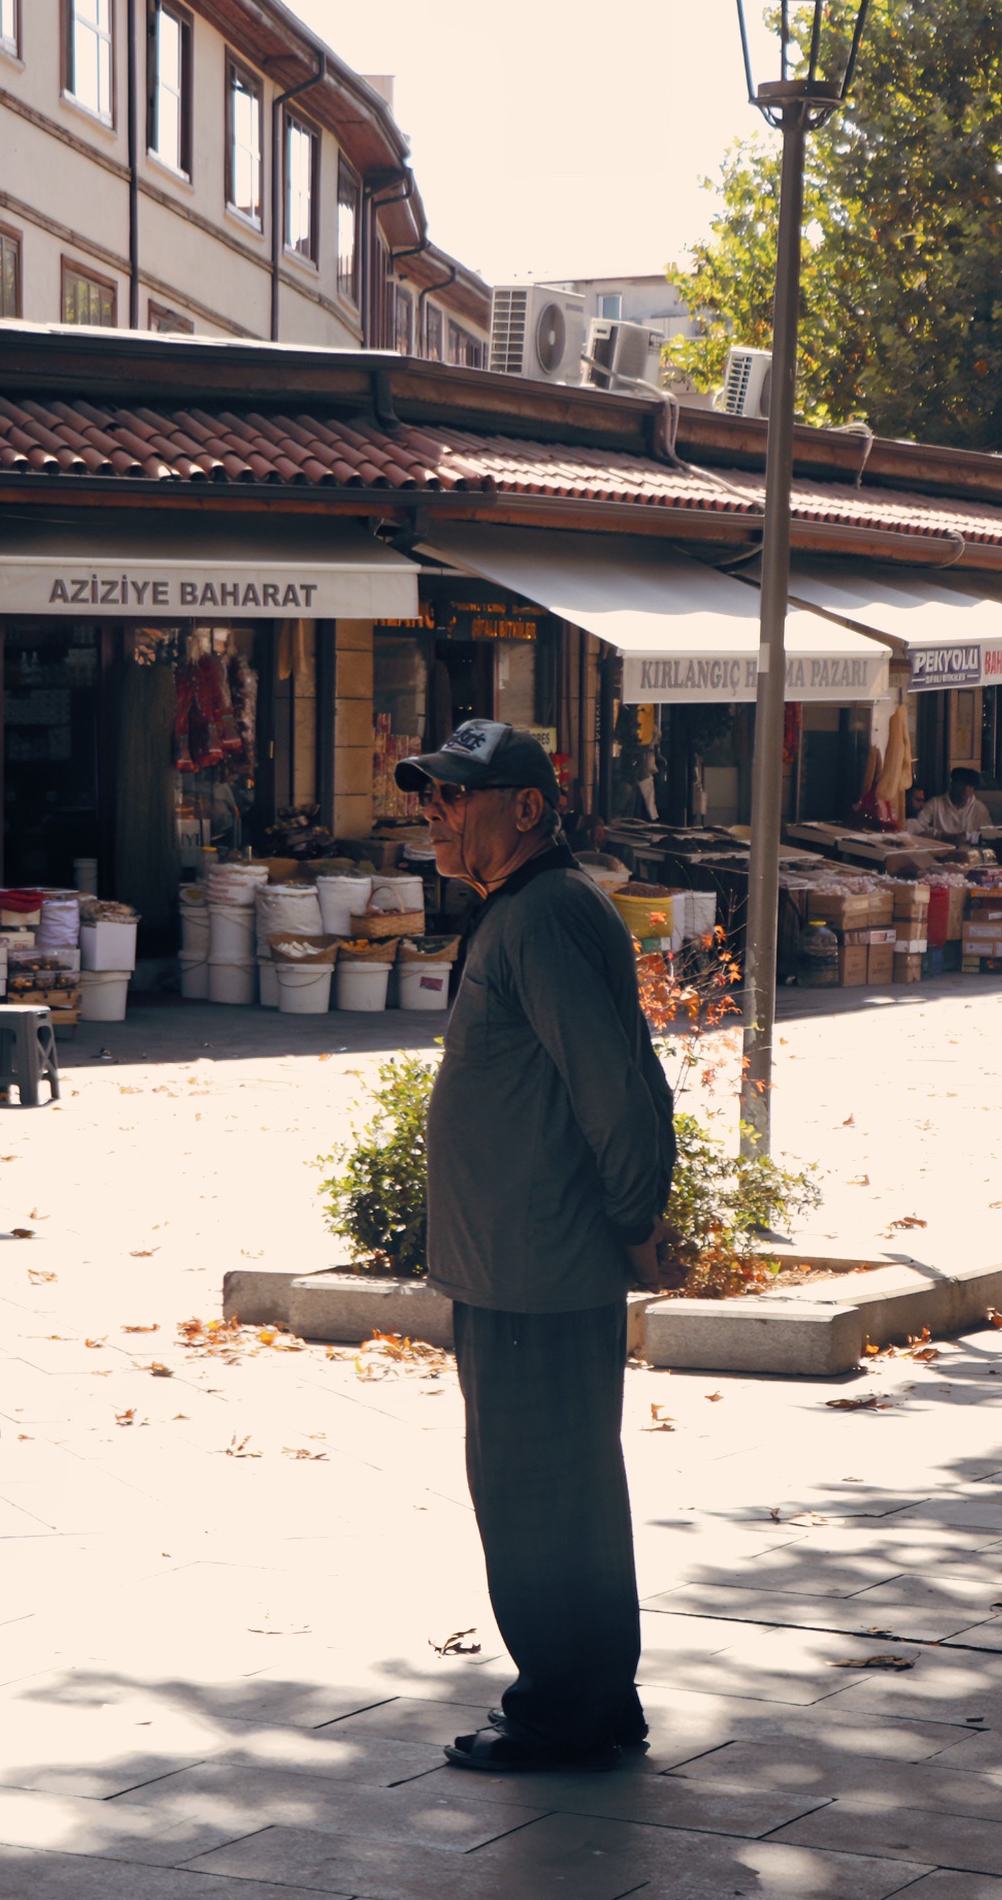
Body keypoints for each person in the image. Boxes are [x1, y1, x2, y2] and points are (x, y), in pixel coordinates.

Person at [393, 720, 677, 1776]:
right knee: (569, 1489)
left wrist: (637, 1216)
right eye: (429, 797)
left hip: (532, 1267)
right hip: (523, 1260)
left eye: (454, 797)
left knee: (530, 1492)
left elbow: (612, 1086)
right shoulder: (529, 909)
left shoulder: (543, 914)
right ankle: (596, 1697)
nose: (436, 813)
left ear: (522, 807)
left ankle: (560, 1707)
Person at [911, 768, 990, 842]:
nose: (965, 789)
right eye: (961, 784)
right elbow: (916, 826)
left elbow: (988, 834)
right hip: (940, 850)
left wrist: (968, 836)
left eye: (970, 786)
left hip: (969, 852)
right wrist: (940, 835)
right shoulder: (935, 803)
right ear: (952, 784)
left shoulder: (979, 808)